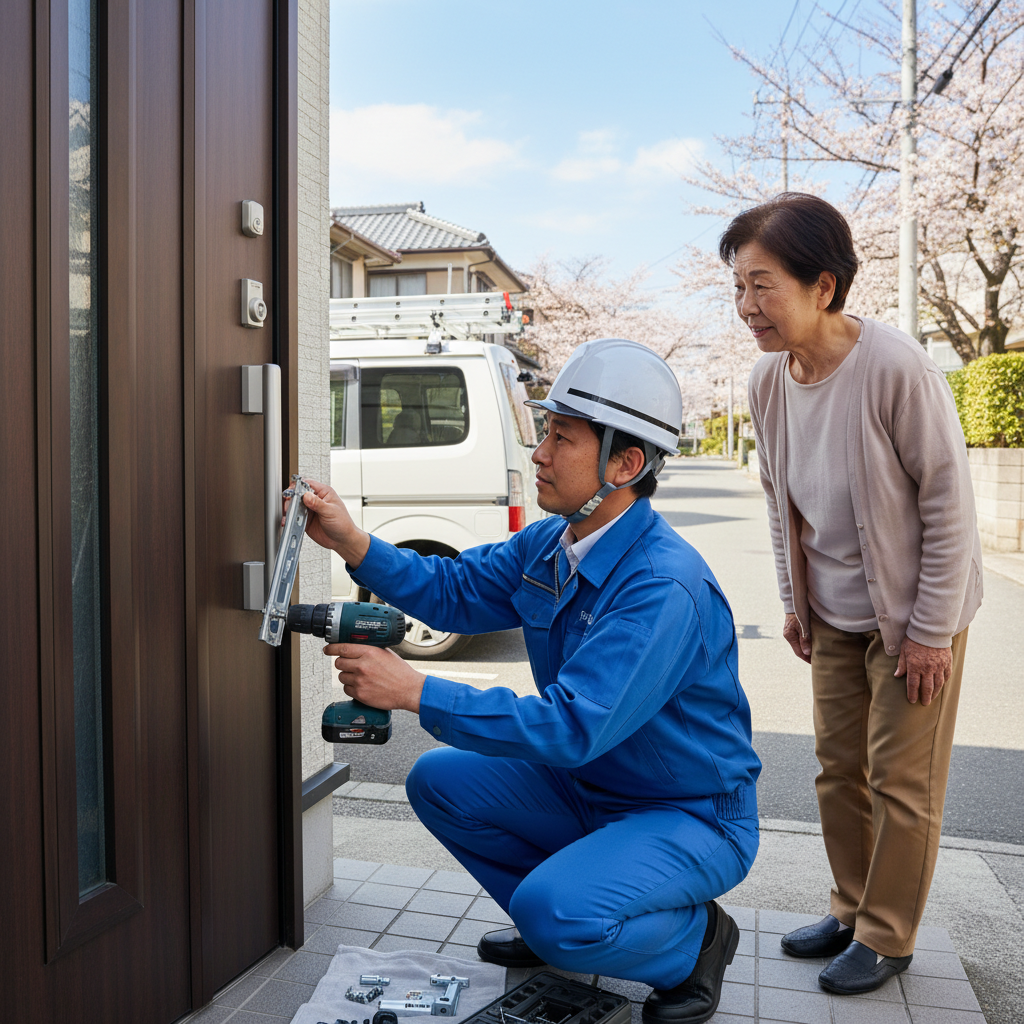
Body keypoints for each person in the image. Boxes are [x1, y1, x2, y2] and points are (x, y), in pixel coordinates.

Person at [297, 338, 761, 1024]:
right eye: (545, 431)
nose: (540, 452)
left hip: (687, 813)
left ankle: (694, 944)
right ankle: (562, 918)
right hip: (591, 788)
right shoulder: (553, 542)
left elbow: (573, 726)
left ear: (624, 463)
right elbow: (452, 590)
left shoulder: (663, 586)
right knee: (439, 782)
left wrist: (415, 690)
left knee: (558, 912)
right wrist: (351, 541)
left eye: (562, 438)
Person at [725, 193, 983, 995]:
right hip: (832, 611)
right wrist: (794, 601)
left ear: (823, 286)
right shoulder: (768, 382)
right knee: (838, 768)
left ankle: (888, 933)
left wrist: (932, 631)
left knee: (900, 779)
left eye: (762, 286)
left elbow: (948, 504)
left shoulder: (896, 367)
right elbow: (779, 499)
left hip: (915, 615)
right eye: (738, 287)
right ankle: (849, 907)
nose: (746, 308)